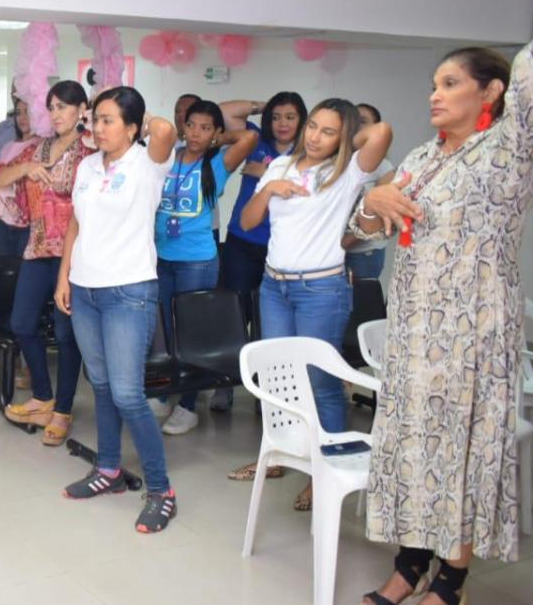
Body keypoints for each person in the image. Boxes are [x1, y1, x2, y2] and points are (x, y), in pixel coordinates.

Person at [354, 41, 533, 605]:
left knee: (460, 453)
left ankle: (452, 578)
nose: (434, 95)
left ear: (491, 92)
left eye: (449, 83)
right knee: (414, 449)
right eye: (434, 84)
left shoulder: (510, 149)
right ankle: (409, 564)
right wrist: (377, 197)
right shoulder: (422, 158)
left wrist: (523, 59)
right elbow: (363, 230)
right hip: (416, 331)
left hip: (474, 334)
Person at [228, 98, 392, 512]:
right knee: (277, 380)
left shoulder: (347, 171)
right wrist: (267, 188)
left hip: (320, 290)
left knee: (321, 382)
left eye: (327, 131)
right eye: (313, 127)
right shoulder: (281, 165)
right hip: (274, 287)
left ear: (343, 136)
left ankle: (326, 472)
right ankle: (282, 457)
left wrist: (343, 143)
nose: (314, 137)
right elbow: (248, 221)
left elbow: (381, 132)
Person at [55, 86, 181, 533]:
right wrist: (64, 275)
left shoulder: (148, 163)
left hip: (129, 291)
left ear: (132, 126)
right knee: (103, 386)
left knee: (128, 393)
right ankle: (107, 469)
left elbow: (165, 128)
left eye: (109, 120)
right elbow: (76, 222)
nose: (97, 128)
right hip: (86, 290)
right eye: (96, 119)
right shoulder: (89, 165)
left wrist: (141, 121)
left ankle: (162, 490)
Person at [0, 80, 94, 446]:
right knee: (21, 323)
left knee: (67, 335)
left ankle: (63, 411)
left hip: (74, 254)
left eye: (64, 107)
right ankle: (43, 396)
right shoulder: (38, 148)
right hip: (37, 249)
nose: (56, 114)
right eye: (51, 107)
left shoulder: (91, 151)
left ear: (82, 109)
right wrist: (25, 171)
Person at [152, 101, 259, 435]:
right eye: (191, 125)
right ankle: (171, 392)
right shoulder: (168, 157)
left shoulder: (217, 163)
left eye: (205, 127)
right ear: (182, 126)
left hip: (197, 260)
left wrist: (216, 140)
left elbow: (248, 139)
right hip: (161, 256)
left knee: (191, 334)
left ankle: (187, 406)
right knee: (167, 332)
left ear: (214, 131)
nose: (195, 133)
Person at [219, 93, 308, 342]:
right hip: (242, 242)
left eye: (290, 117)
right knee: (235, 310)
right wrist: (265, 106)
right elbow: (224, 110)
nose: (282, 124)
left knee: (272, 315)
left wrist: (267, 173)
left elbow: (307, 189)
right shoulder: (256, 141)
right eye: (276, 117)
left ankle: (265, 374)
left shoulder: (307, 153)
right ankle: (229, 371)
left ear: (302, 120)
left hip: (282, 247)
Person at [342, 102, 397, 280]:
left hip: (363, 254)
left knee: (359, 306)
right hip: (331, 253)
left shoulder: (384, 167)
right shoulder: (337, 162)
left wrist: (340, 246)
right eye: (353, 120)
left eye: (363, 121)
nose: (357, 125)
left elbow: (379, 216)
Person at [0, 97, 38, 259]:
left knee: (25, 269)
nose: (22, 118)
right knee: (5, 267)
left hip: (29, 220)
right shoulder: (8, 146)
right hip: (2, 219)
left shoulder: (45, 145)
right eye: (18, 113)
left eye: (28, 113)